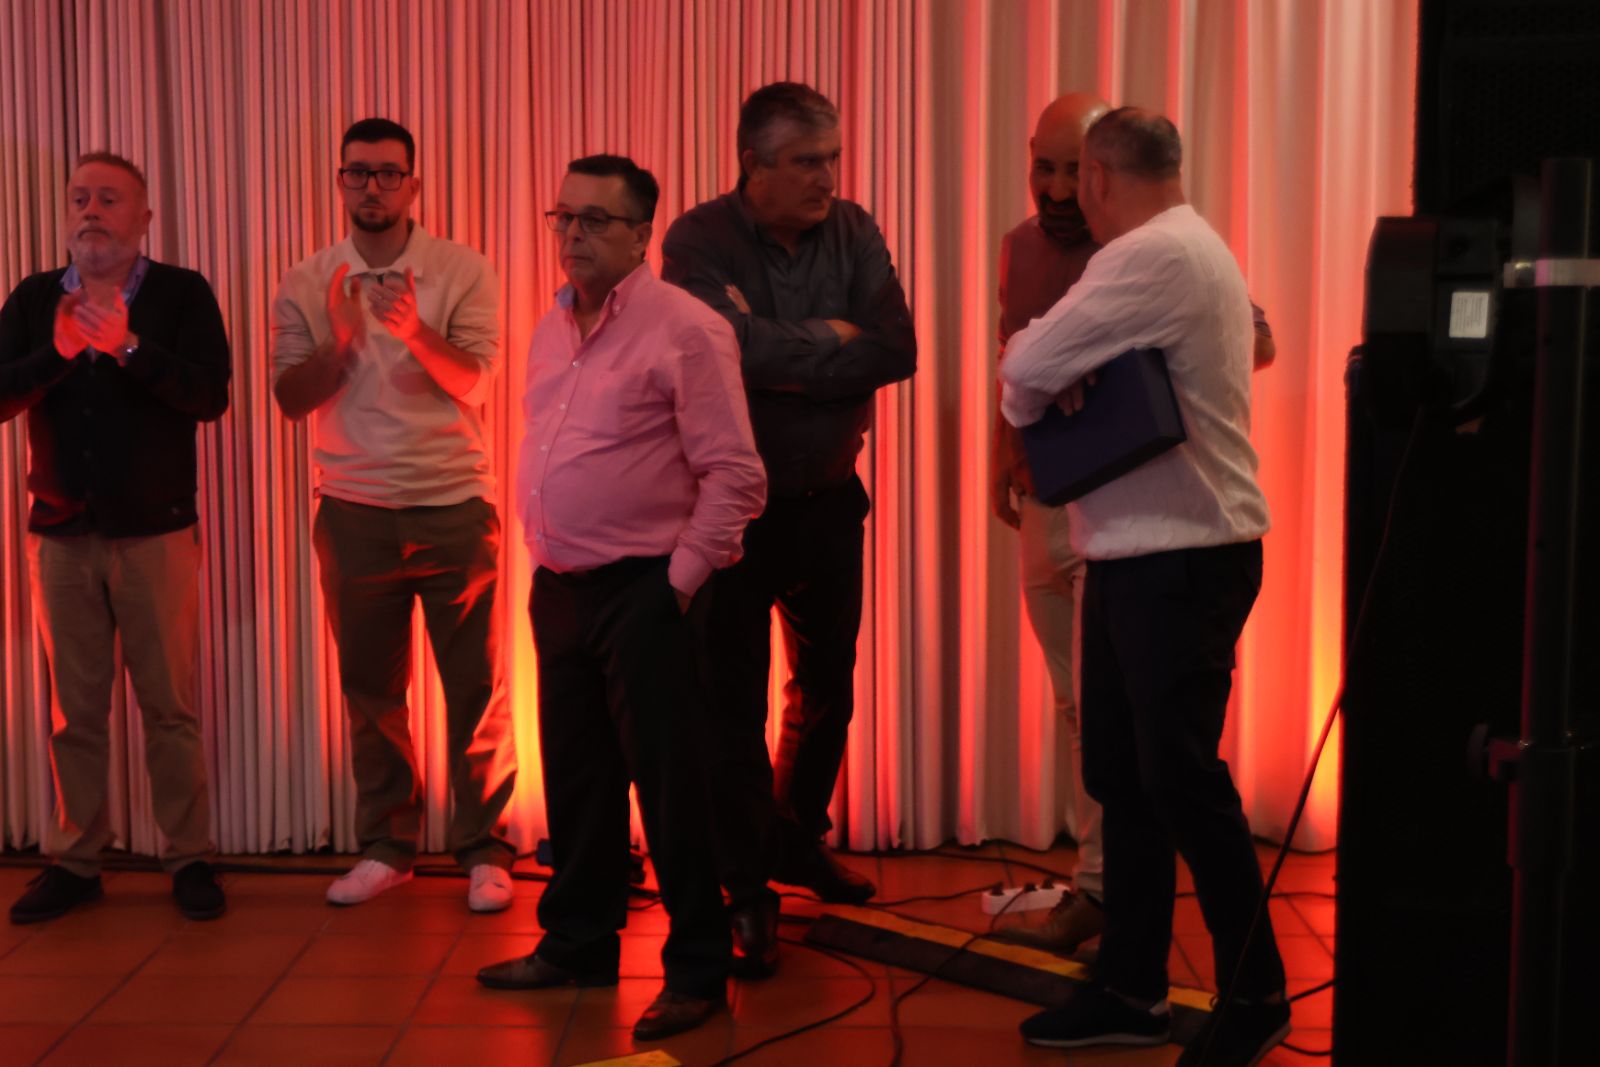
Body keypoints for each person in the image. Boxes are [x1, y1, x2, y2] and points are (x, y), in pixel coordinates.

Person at [1000, 109, 1291, 1066]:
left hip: (1181, 556)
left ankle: (1256, 995)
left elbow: (1022, 368)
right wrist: (1073, 373)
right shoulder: (1193, 243)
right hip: (1144, 552)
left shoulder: (1148, 254)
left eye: (1073, 176)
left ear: (1095, 176)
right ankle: (1131, 988)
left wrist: (1057, 377)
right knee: (1125, 778)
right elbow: (1046, 373)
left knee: (1180, 781)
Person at [476, 154, 764, 1041]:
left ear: (642, 235)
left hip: (647, 588)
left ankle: (698, 967)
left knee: (674, 790)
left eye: (596, 220)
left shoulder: (686, 328)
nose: (573, 234)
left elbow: (736, 476)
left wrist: (675, 586)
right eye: (563, 216)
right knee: (578, 778)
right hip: (560, 586)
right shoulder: (550, 324)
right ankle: (579, 942)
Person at [661, 80, 917, 978]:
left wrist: (774, 343)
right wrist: (833, 341)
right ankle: (745, 887)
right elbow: (716, 350)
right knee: (728, 700)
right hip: (731, 512)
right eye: (808, 161)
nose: (827, 177)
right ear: (753, 164)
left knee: (827, 689)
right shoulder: (697, 239)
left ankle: (794, 839)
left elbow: (897, 347)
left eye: (832, 158)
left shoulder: (854, 228)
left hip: (830, 498)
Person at [270, 118, 516, 912]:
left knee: (477, 691)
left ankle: (486, 848)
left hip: (454, 503)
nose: (371, 186)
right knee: (371, 693)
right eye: (357, 173)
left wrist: (412, 331)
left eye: (387, 173)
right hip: (353, 509)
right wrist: (343, 345)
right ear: (340, 181)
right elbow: (289, 398)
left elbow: (477, 383)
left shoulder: (461, 268)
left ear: (414, 184)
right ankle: (387, 846)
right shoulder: (308, 278)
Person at [2, 152, 230, 923]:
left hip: (156, 534)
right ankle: (76, 860)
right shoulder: (35, 297)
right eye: (80, 199)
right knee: (75, 711)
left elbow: (211, 395)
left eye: (108, 198)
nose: (91, 211)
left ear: (144, 218)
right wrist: (58, 355)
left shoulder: (181, 293)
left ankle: (189, 855)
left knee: (169, 707)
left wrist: (130, 349)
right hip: (60, 536)